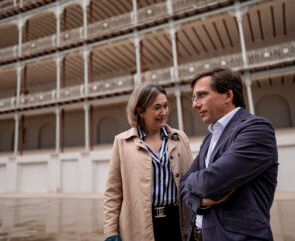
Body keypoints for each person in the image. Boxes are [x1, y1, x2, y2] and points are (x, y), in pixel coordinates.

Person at [180, 67, 278, 241]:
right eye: (194, 97)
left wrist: (192, 181)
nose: (194, 104)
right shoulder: (209, 138)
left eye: (201, 95)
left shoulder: (257, 129)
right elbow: (182, 187)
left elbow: (211, 182)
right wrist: (201, 201)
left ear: (228, 95)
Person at [103, 82, 193, 241]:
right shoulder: (122, 142)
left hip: (176, 222)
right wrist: (111, 232)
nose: (163, 112)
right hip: (140, 225)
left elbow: (192, 181)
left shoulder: (180, 138)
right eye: (157, 107)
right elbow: (113, 193)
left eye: (165, 106)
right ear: (140, 110)